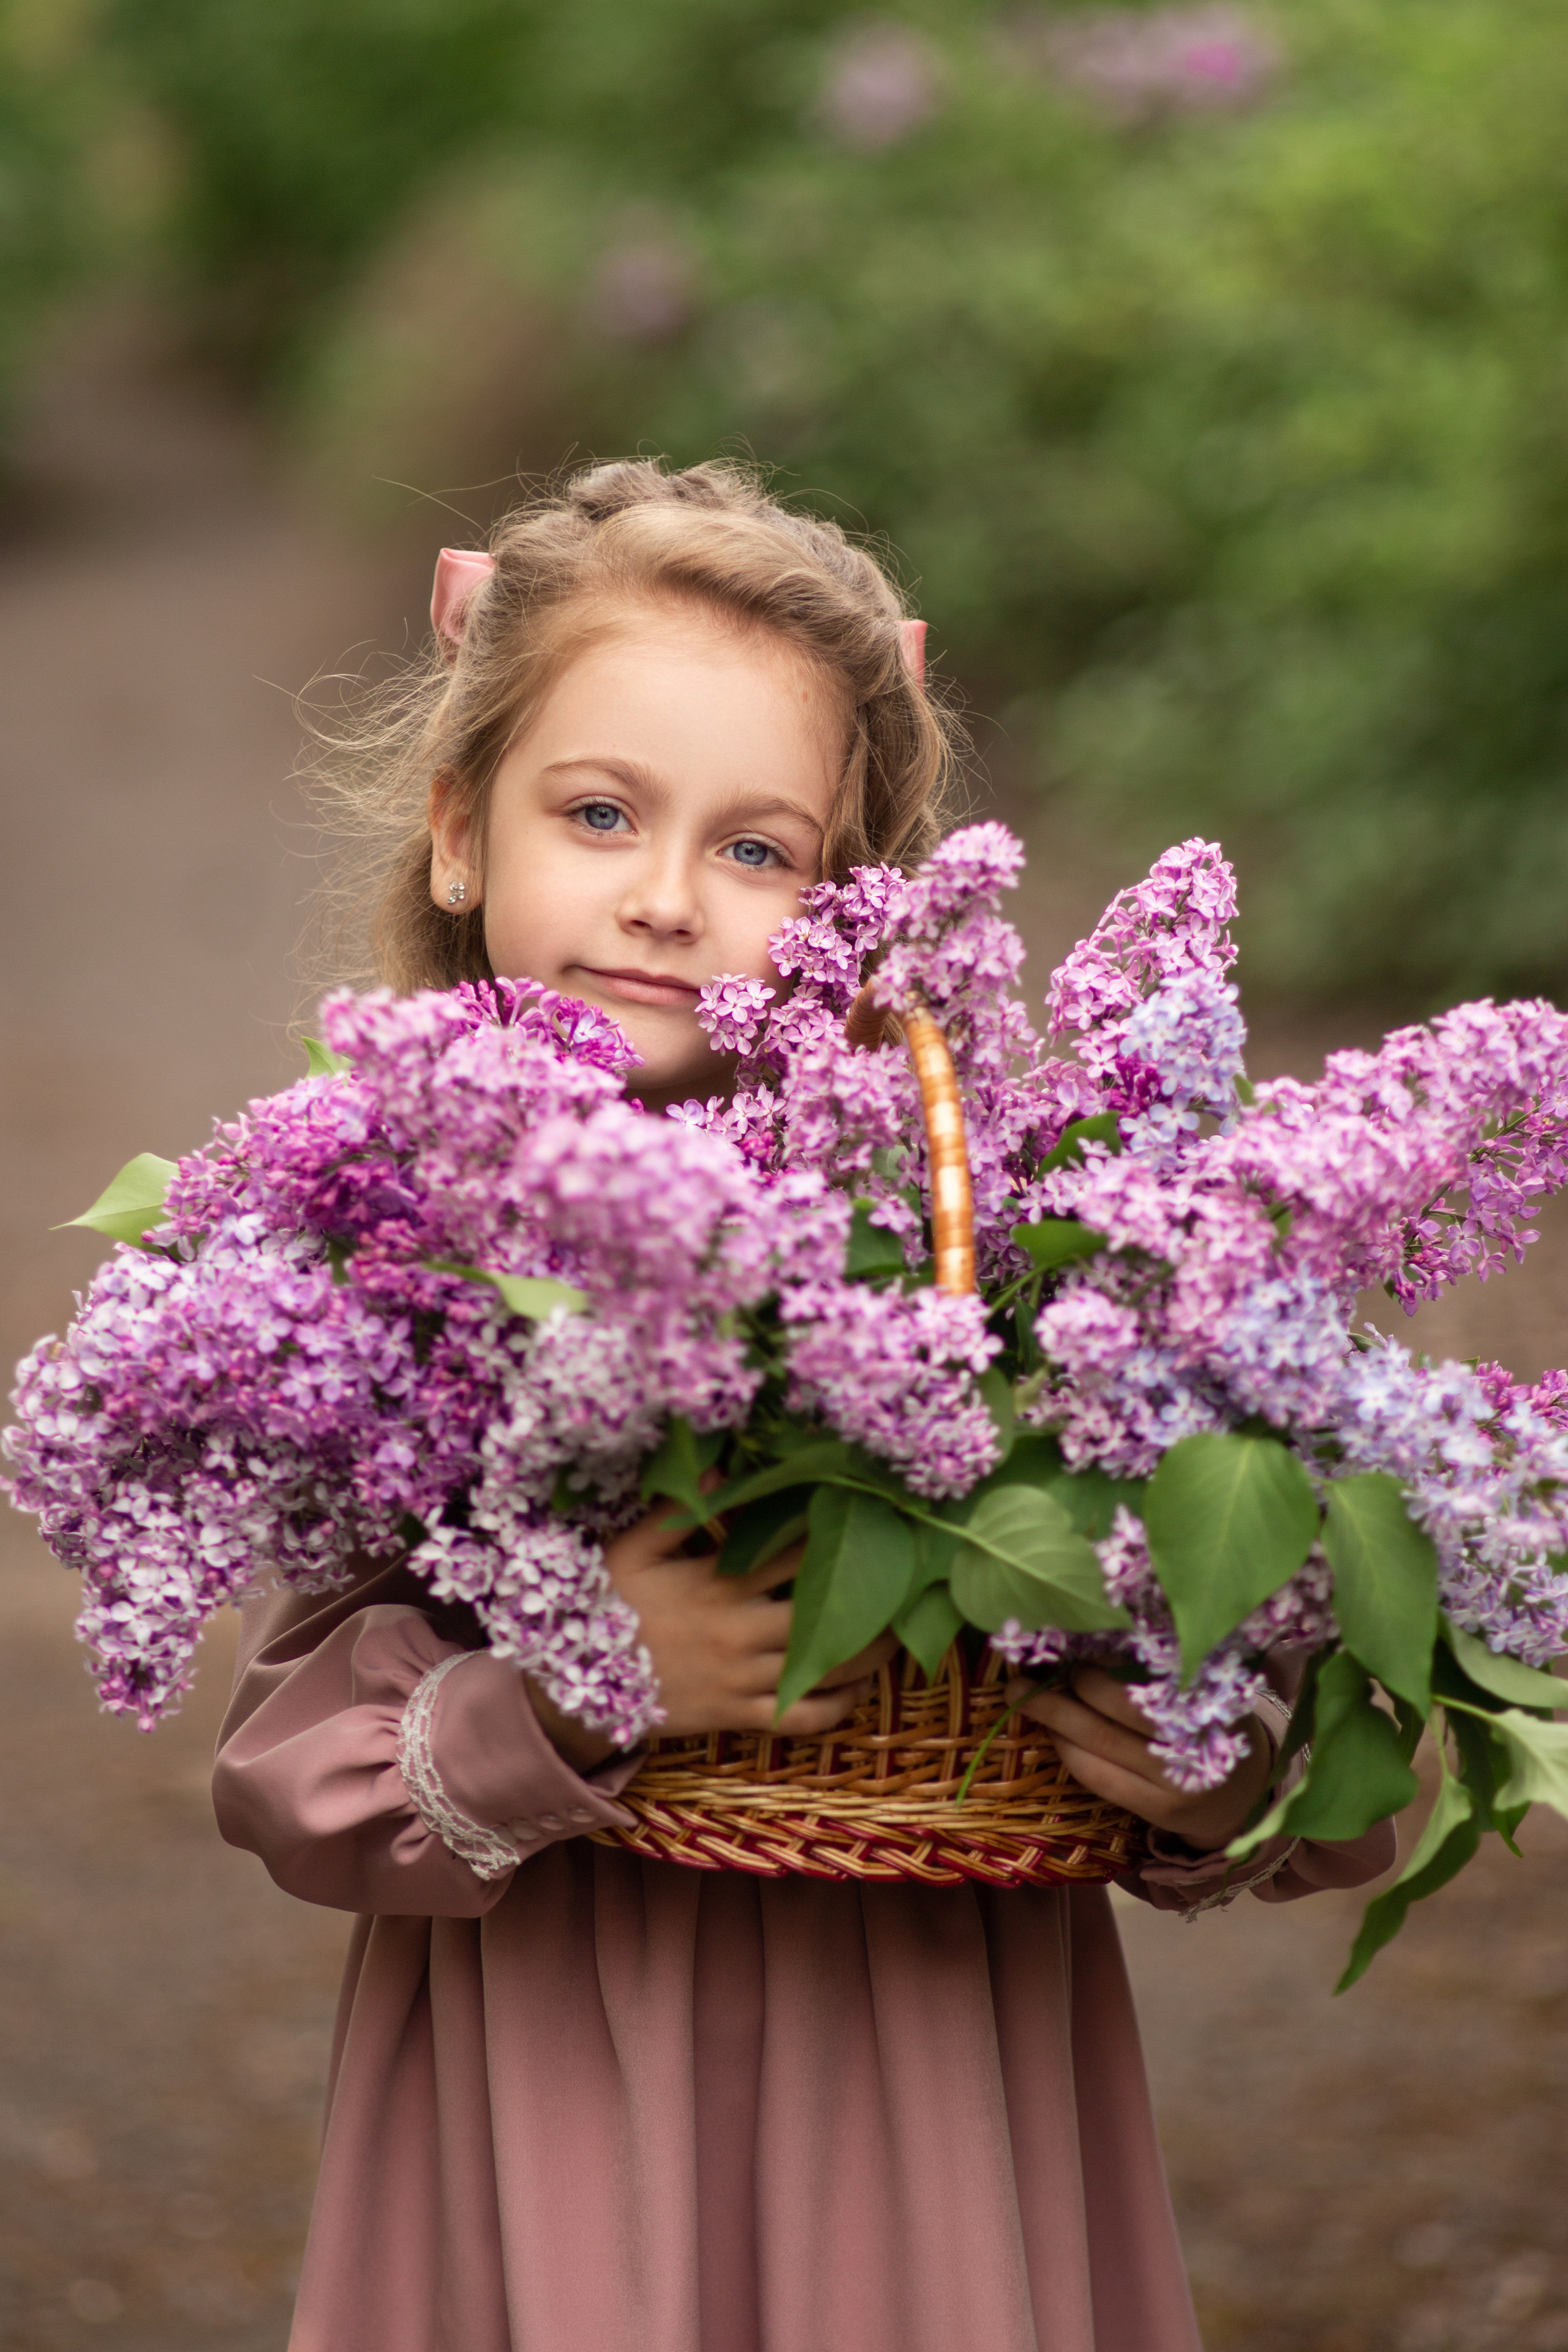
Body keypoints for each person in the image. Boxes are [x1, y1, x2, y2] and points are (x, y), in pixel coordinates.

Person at [214, 458, 1393, 2352]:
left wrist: (1224, 1767)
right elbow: (289, 1781)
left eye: (760, 852)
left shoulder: (992, 1240)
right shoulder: (403, 1248)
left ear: (858, 912)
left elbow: (1339, 1759)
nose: (668, 900)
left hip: (931, 2070)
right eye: (598, 814)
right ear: (460, 830)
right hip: (557, 2074)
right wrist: (578, 1684)